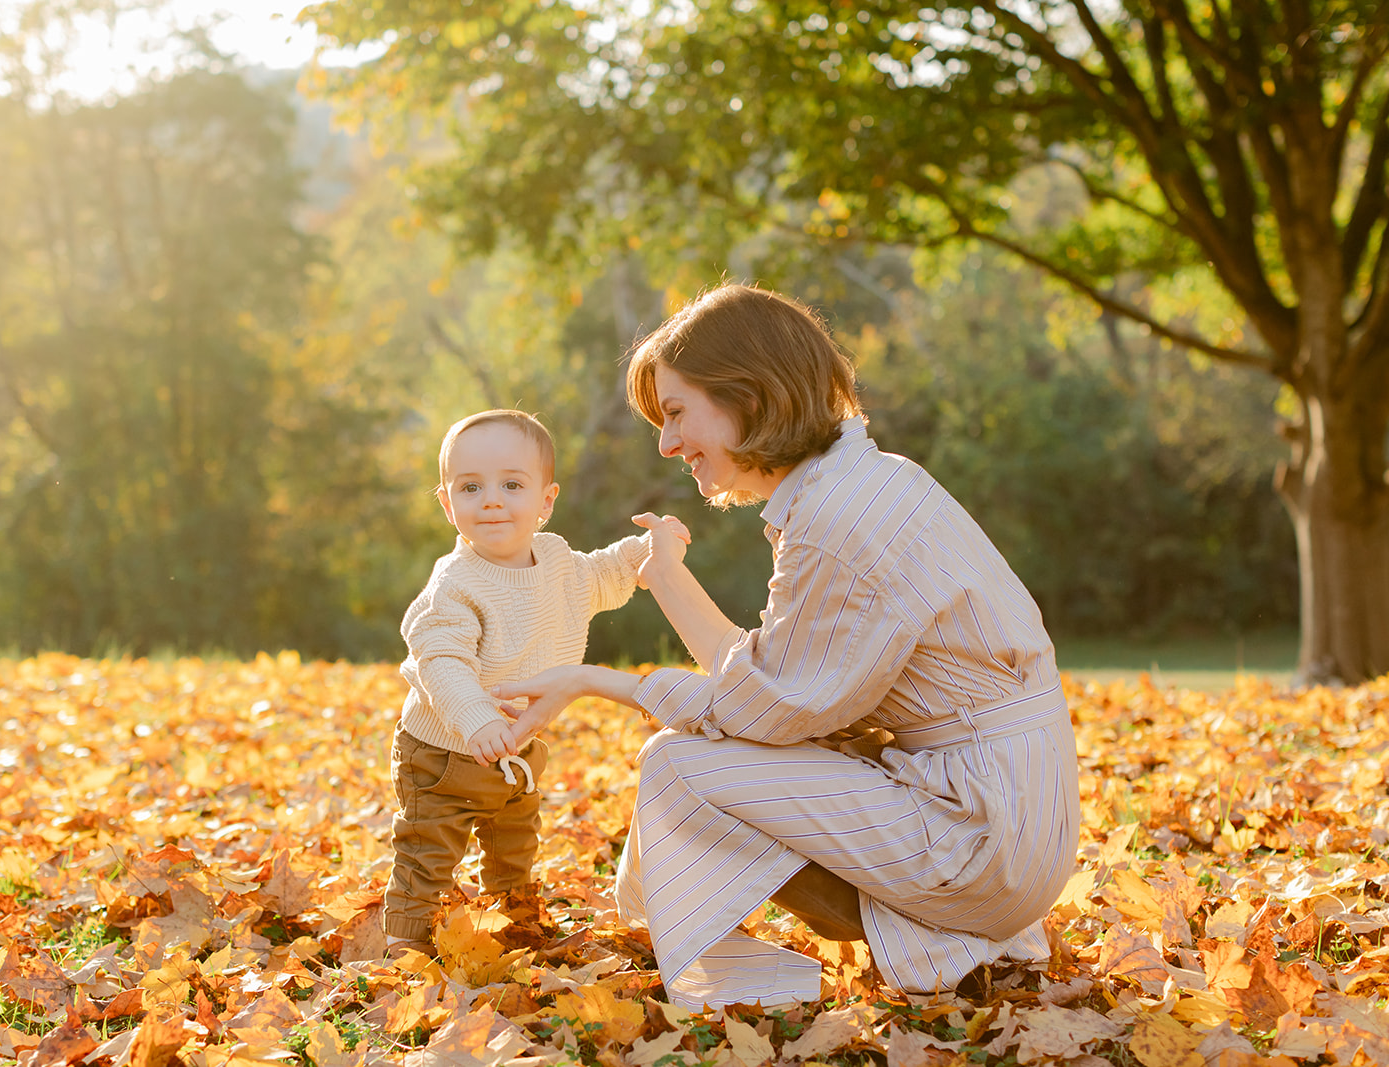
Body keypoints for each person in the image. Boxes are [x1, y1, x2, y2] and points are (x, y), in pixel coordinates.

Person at [493, 285, 1080, 1008]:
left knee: (678, 766)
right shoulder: (861, 485)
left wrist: (594, 679)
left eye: (676, 412)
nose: (667, 443)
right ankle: (963, 942)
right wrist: (666, 579)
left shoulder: (839, 520)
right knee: (726, 754)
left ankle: (745, 984)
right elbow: (775, 688)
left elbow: (760, 708)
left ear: (749, 394)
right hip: (1009, 810)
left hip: (984, 834)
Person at [383, 408, 689, 957]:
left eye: (511, 485)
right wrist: (475, 718)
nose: (492, 500)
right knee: (428, 854)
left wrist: (647, 551)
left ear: (545, 501)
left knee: (514, 843)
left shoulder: (556, 561)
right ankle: (400, 951)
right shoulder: (455, 584)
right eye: (471, 487)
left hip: (518, 749)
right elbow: (440, 661)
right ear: (449, 504)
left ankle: (515, 925)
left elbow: (600, 575)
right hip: (443, 753)